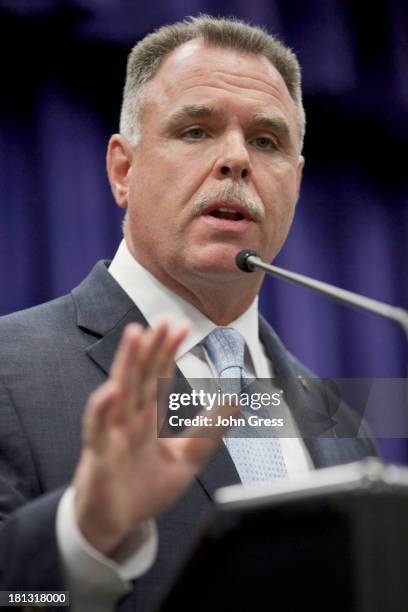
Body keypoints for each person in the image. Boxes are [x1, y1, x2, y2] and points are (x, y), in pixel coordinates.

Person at [0, 15, 377, 612]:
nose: (236, 160)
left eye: (266, 141)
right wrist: (83, 538)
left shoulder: (341, 421)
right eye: (197, 131)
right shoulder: (9, 372)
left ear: (296, 183)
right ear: (124, 170)